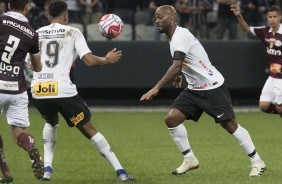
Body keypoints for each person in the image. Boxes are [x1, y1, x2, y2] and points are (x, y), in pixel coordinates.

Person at [140, 5, 266, 177]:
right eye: (156, 17)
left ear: (172, 16)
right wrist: (180, 76)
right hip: (194, 88)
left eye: (161, 16)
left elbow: (176, 65)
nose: (157, 20)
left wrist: (156, 88)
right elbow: (183, 63)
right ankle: (190, 159)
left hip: (212, 86)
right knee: (172, 119)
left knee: (229, 125)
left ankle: (257, 162)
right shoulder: (173, 38)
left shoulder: (181, 35)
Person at [29, 1, 135, 182]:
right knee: (88, 128)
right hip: (63, 91)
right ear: (66, 16)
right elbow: (89, 61)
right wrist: (107, 59)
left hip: (39, 90)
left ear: (48, 17)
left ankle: (47, 171)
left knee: (50, 122)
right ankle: (121, 172)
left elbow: (31, 63)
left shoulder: (37, 33)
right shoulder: (73, 32)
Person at [0, 0, 44, 183]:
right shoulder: (32, 34)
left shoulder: (1, 22)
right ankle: (31, 147)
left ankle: (6, 172)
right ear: (27, 7)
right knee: (19, 132)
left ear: (9, 5)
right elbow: (37, 66)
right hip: (17, 89)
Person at [231, 5, 282, 117]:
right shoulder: (265, 31)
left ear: (280, 18)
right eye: (270, 17)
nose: (272, 19)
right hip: (272, 76)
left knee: (280, 107)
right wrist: (238, 15)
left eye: (275, 17)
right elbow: (246, 29)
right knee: (263, 106)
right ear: (267, 18)